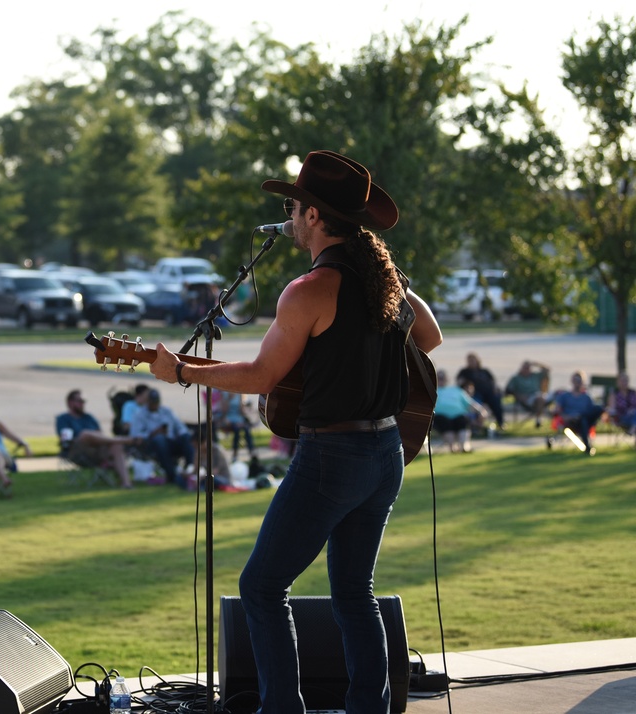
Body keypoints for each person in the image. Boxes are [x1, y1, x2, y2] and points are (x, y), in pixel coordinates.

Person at [147, 150, 442, 713]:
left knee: (262, 587)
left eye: (295, 205)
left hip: (333, 456)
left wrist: (182, 370)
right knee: (355, 593)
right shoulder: (385, 279)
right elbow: (427, 337)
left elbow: (262, 376)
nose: (290, 214)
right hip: (386, 451)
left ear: (311, 217)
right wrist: (353, 365)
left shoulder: (309, 289)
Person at [55, 389, 136, 488]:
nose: (82, 404)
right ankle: (123, 440)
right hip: (77, 451)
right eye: (80, 401)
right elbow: (66, 438)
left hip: (97, 452)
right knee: (85, 434)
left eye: (84, 401)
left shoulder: (89, 417)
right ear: (70, 402)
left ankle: (126, 483)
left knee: (116, 446)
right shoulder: (63, 419)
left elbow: (100, 434)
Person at [129, 389, 197, 488]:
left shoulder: (167, 411)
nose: (155, 404)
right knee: (160, 439)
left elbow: (181, 428)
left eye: (156, 402)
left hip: (171, 441)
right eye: (152, 402)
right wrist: (153, 433)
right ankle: (172, 475)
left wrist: (180, 434)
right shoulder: (139, 415)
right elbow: (135, 435)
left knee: (186, 437)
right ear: (148, 402)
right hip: (152, 445)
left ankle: (190, 471)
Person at [433, 370, 489, 453]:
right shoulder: (432, 391)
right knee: (445, 423)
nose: (441, 380)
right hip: (440, 416)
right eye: (439, 378)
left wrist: (481, 411)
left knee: (462, 422)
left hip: (458, 414)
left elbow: (470, 402)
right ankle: (452, 448)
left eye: (442, 378)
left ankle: (464, 446)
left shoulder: (457, 390)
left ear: (447, 379)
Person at [553, 370, 605, 454]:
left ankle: (587, 447)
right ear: (572, 381)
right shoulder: (565, 396)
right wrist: (566, 417)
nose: (577, 382)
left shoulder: (586, 397)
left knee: (598, 409)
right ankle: (587, 447)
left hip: (586, 421)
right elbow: (557, 411)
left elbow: (592, 411)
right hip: (572, 422)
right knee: (582, 421)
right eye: (576, 380)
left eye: (579, 380)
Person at [456, 352, 504, 430]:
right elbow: (459, 383)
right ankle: (477, 426)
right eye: (469, 360)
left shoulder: (485, 371)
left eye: (473, 360)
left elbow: (493, 382)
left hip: (488, 393)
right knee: (475, 405)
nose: (471, 362)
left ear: (477, 360)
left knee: (496, 401)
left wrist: (495, 389)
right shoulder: (464, 372)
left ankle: (500, 423)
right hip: (474, 394)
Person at [608, 372, 636, 450]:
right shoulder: (614, 394)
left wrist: (633, 412)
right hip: (623, 418)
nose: (624, 383)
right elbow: (612, 410)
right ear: (617, 382)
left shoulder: (635, 392)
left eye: (626, 380)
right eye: (622, 380)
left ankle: (634, 428)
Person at [505, 360, 551, 427]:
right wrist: (518, 396)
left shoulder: (535, 376)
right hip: (526, 399)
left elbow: (547, 370)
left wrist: (536, 364)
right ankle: (538, 420)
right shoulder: (516, 378)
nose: (526, 370)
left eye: (528, 368)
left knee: (554, 395)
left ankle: (558, 423)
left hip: (538, 395)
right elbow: (508, 390)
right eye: (525, 368)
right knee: (540, 399)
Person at [217, 390, 256, 460]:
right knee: (237, 430)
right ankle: (235, 453)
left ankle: (251, 451)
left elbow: (241, 410)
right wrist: (228, 399)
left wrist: (247, 411)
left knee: (246, 429)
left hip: (238, 418)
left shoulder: (239, 394)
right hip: (228, 418)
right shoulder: (224, 393)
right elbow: (224, 411)